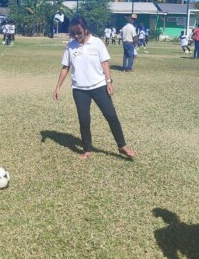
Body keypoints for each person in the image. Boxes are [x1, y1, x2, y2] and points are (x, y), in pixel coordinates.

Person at [53, 16, 136, 160]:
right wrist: (57, 87)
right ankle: (87, 149)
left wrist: (109, 82)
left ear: (85, 29)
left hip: (99, 86)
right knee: (84, 120)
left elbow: (104, 63)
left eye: (79, 33)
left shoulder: (97, 43)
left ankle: (122, 146)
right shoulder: (71, 46)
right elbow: (65, 67)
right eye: (74, 34)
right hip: (79, 89)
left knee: (111, 116)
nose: (77, 36)